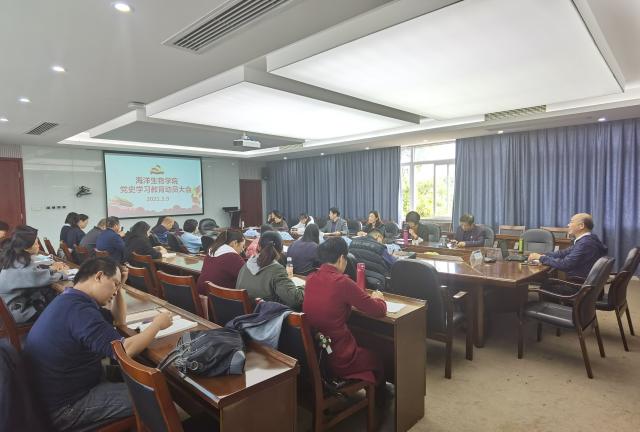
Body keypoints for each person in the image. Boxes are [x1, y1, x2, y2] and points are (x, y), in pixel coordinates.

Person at [24, 258, 172, 431]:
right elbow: (125, 351)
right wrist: (157, 325)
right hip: (65, 407)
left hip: (54, 393)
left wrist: (120, 286)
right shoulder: (80, 311)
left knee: (142, 381)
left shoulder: (70, 298)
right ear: (99, 276)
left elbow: (118, 320)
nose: (115, 291)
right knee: (155, 397)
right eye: (114, 283)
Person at [303, 237, 386, 385]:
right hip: (340, 356)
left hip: (319, 352)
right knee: (377, 357)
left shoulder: (310, 278)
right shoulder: (342, 282)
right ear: (342, 258)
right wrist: (380, 298)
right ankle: (380, 397)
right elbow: (378, 310)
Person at [0, 225, 68, 324]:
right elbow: (43, 278)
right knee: (61, 307)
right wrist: (63, 274)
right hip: (18, 313)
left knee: (51, 296)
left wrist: (52, 269)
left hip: (11, 307)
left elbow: (35, 274)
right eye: (36, 243)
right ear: (26, 248)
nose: (38, 246)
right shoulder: (22, 265)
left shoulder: (15, 258)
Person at [528, 213, 608, 282]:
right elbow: (562, 253)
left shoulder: (585, 244)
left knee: (545, 284)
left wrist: (541, 258)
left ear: (581, 226)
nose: (568, 225)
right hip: (583, 283)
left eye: (571, 222)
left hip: (577, 286)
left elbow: (565, 264)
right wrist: (541, 254)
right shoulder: (588, 239)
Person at [236, 231, 304, 309]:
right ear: (281, 249)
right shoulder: (277, 270)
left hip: (244, 313)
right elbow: (295, 299)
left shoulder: (245, 265)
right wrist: (305, 287)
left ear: (259, 247)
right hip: (267, 314)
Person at [197, 230, 246, 295]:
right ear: (235, 243)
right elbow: (246, 278)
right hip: (217, 297)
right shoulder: (233, 257)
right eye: (242, 246)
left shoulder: (211, 252)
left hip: (201, 294)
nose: (243, 250)